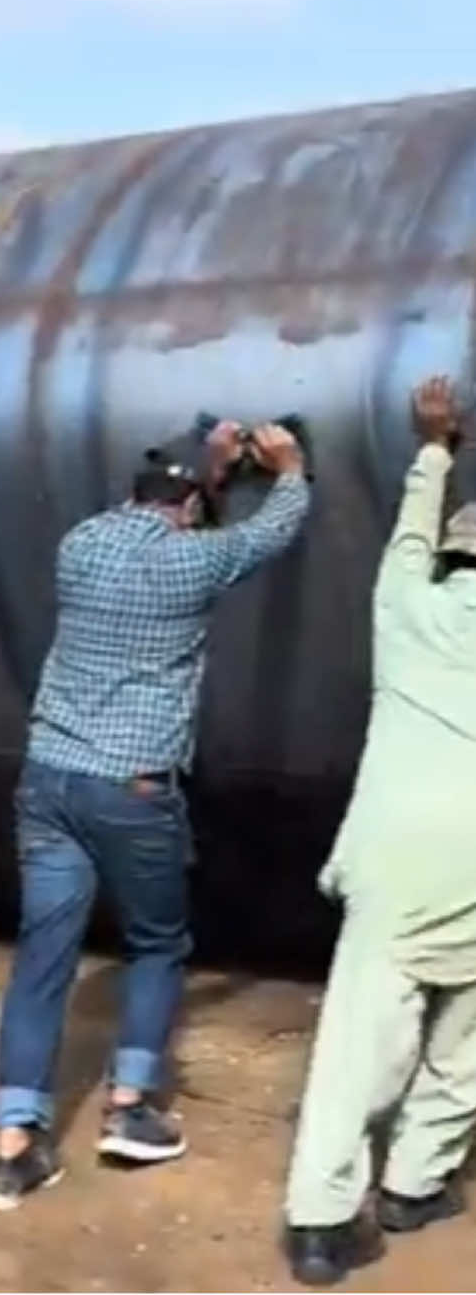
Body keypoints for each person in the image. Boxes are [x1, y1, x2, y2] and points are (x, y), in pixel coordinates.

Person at [0, 418, 312, 1212]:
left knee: (41, 958)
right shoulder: (197, 562)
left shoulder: (79, 544)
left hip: (50, 778)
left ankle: (15, 1144)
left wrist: (208, 471)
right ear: (191, 507)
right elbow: (277, 529)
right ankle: (130, 1109)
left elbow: (156, 514)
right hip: (132, 788)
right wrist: (289, 468)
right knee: (158, 941)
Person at [284, 376, 476, 1287]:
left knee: (359, 1045)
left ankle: (322, 1224)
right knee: (467, 1044)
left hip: (394, 856)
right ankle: (415, 1182)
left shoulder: (407, 611)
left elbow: (405, 540)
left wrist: (436, 447)